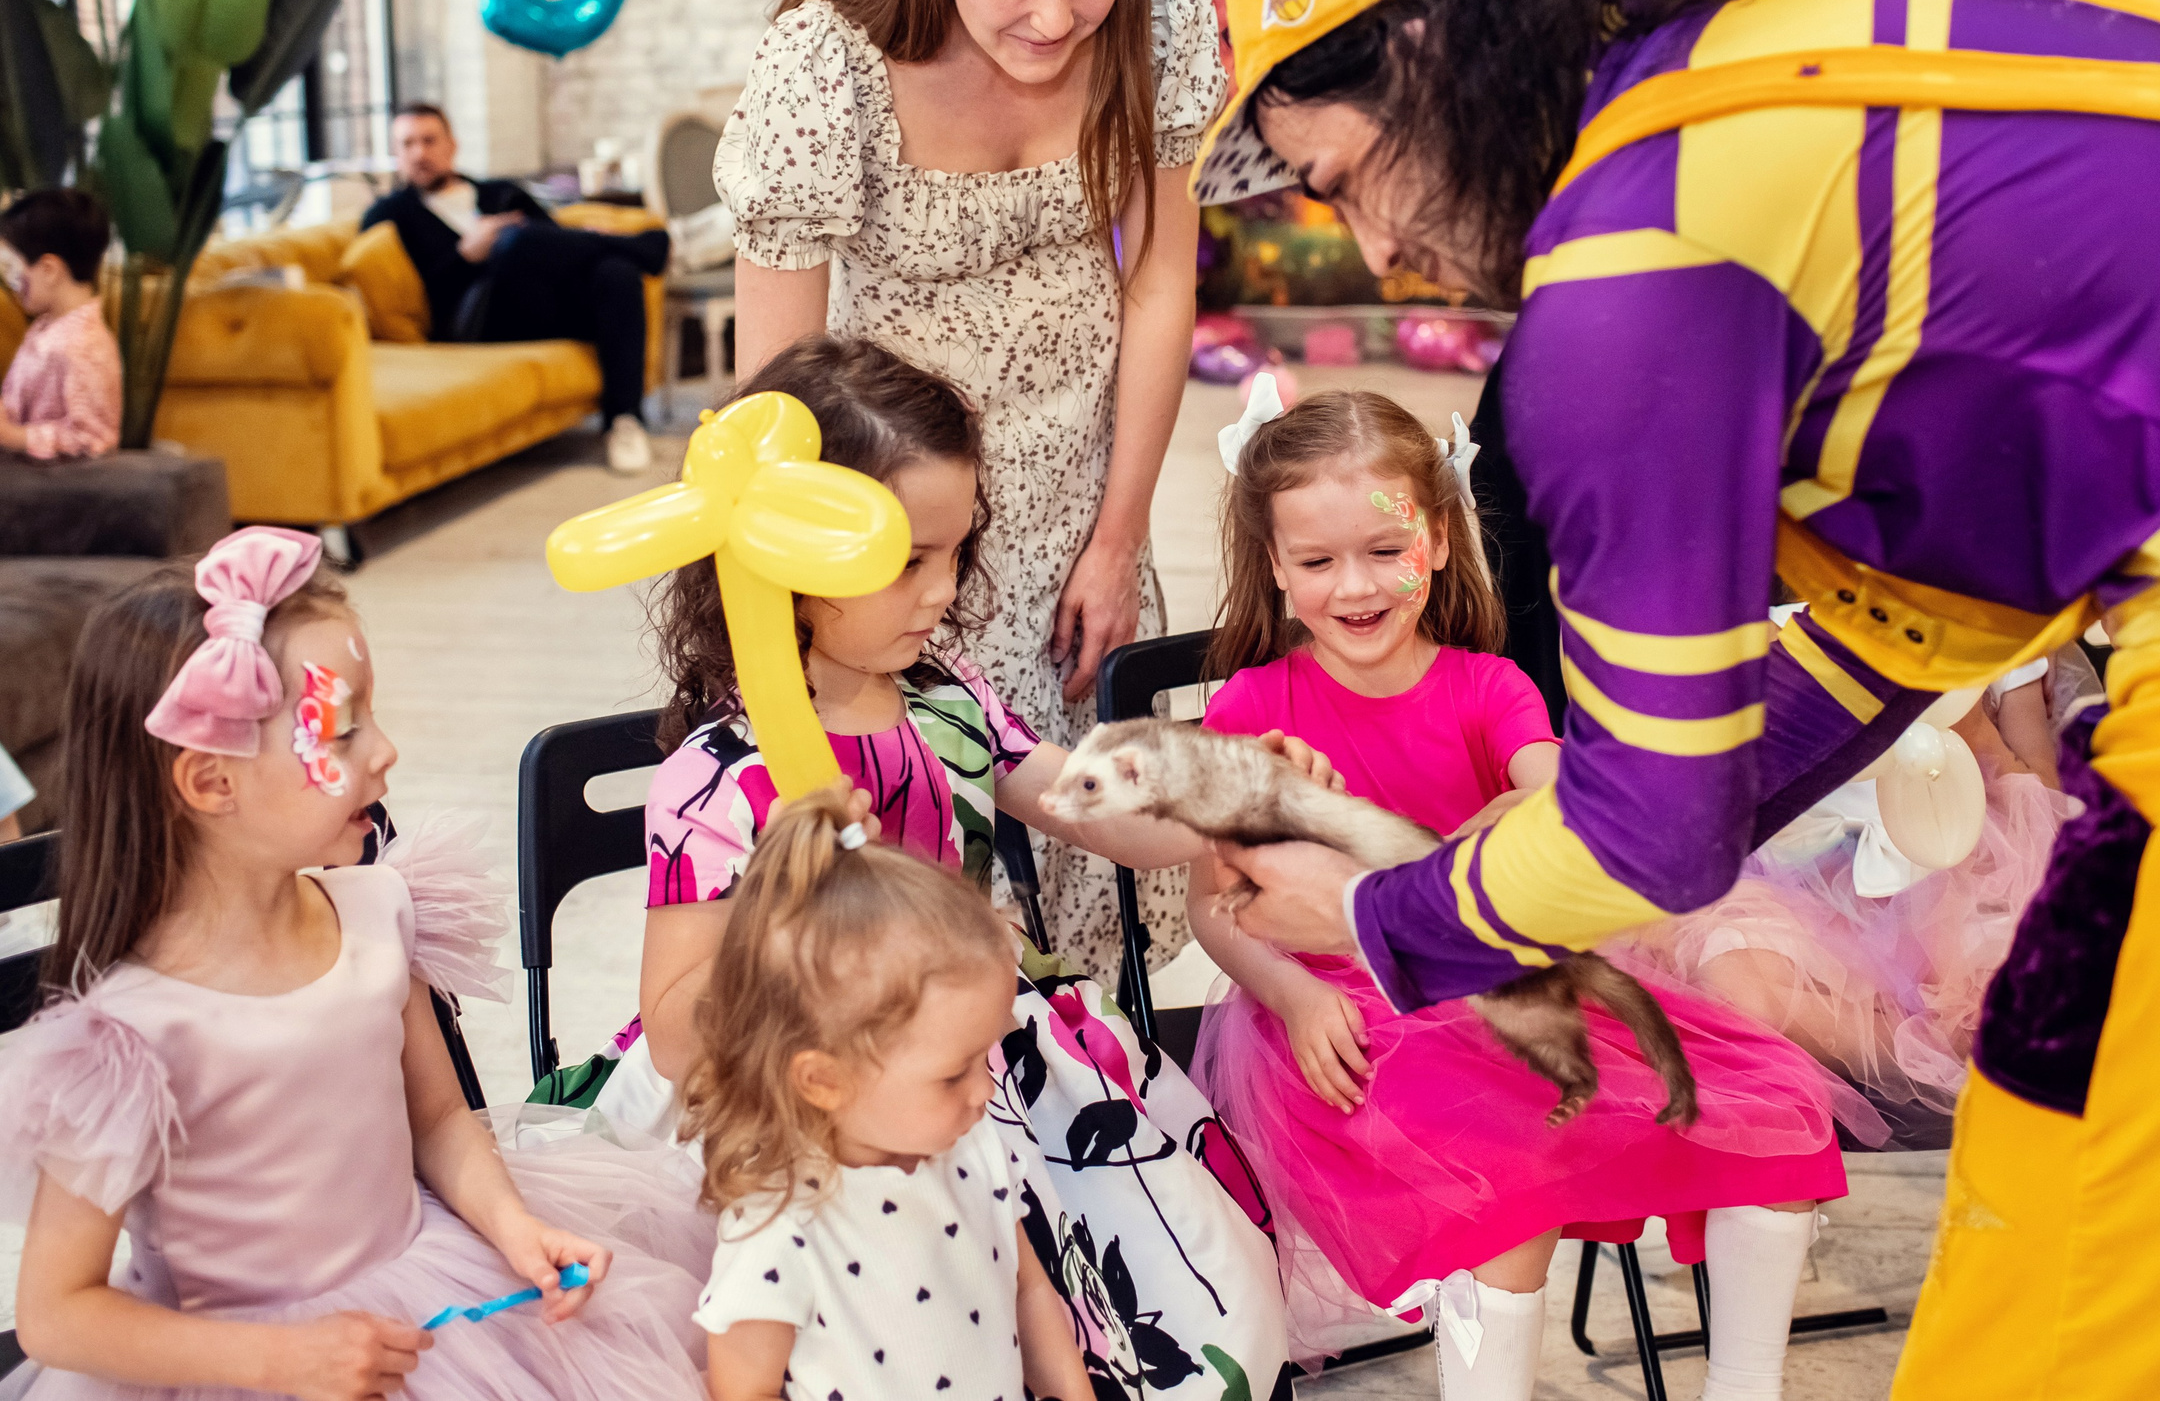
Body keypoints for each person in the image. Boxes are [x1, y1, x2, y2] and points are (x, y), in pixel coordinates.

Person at [1183, 0, 2160, 1400]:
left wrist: (1378, 909)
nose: (1374, 253)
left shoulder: (1636, 264)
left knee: (2097, 1252)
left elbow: (1654, 834)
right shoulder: (1763, 74)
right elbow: (1884, 637)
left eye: (1343, 178)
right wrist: (1630, 793)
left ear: (1427, 48)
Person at [596, 336, 1286, 1398]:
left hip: (976, 1066)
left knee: (1175, 1292)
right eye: (906, 559)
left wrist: (1229, 807)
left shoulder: (946, 702)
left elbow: (1089, 808)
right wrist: (791, 913)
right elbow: (681, 1024)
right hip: (805, 1111)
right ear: (785, 554)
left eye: (955, 552)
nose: (942, 589)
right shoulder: (717, 780)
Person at [1190, 387, 1862, 1400]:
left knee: (1774, 1104)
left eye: (1385, 550)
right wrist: (1292, 993)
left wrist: (1461, 851)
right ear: (1278, 572)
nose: (1356, 586)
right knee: (1506, 1171)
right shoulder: (1255, 707)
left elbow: (1554, 798)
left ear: (1442, 541)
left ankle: (1745, 1386)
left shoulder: (1487, 688)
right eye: (1318, 562)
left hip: (1506, 984)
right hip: (1343, 1012)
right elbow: (1213, 902)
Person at [0, 527, 711, 1400]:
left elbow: (443, 1122)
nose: (384, 751)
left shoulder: (377, 913)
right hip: (239, 1366)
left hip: (434, 1309)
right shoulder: (132, 1035)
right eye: (342, 732)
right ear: (210, 783)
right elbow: (56, 1313)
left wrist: (513, 1226)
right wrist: (285, 1361)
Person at [718, 0, 1226, 980]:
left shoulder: (1157, 10)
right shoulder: (826, 66)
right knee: (917, 868)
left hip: (1081, 491)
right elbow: (773, 399)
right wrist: (812, 602)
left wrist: (1118, 537)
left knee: (1083, 832)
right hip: (894, 516)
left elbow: (1158, 283)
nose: (1055, 18)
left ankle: (1081, 1116)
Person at [686, 782, 1095, 1401]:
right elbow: (744, 1391)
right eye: (953, 1074)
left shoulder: (974, 1148)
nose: (984, 1092)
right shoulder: (781, 1224)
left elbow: (1027, 1289)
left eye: (981, 1060)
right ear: (825, 1080)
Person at [1626, 634, 2094, 1144]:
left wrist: (1977, 729)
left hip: (1959, 882)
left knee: (2042, 993)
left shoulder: (2004, 644)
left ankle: (1953, 1050)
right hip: (1809, 893)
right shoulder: (1779, 635)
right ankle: (1907, 1050)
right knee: (1729, 983)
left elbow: (2041, 790)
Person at [363, 103, 665, 475]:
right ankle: (650, 248)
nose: (419, 153)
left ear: (452, 145)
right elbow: (427, 291)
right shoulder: (389, 215)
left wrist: (578, 240)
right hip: (473, 320)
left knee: (614, 273)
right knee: (511, 242)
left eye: (428, 141)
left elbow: (553, 241)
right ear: (396, 153)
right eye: (407, 144)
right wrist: (466, 254)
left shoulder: (499, 191)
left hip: (536, 302)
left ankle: (625, 421)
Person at [0, 188, 119, 460]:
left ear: (48, 270)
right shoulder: (45, 327)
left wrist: (14, 437)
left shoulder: (86, 346)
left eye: (11, 268)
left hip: (56, 492)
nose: (10, 281)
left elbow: (92, 437)